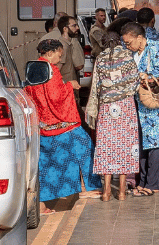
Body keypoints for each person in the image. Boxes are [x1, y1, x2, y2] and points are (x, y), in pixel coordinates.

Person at [27, 40, 103, 213]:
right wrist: (70, 85)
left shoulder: (33, 68)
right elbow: (55, 96)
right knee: (85, 148)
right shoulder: (50, 69)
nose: (60, 60)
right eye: (59, 55)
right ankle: (87, 188)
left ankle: (41, 204)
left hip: (44, 125)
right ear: (51, 52)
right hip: (61, 122)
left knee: (46, 164)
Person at [86, 20, 140, 202]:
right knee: (125, 147)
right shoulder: (127, 56)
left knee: (106, 147)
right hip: (126, 107)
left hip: (107, 108)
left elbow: (96, 87)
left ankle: (106, 192)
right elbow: (135, 83)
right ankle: (123, 192)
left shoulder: (100, 59)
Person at [121, 22, 159, 196]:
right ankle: (143, 181)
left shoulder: (155, 47)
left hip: (155, 103)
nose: (127, 46)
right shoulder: (131, 51)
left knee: (156, 144)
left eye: (129, 42)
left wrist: (144, 75)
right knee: (143, 144)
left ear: (139, 38)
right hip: (139, 103)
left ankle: (153, 185)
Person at [40, 15, 84, 86]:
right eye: (74, 26)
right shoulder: (63, 47)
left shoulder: (67, 44)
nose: (77, 28)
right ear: (65, 29)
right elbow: (56, 71)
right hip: (65, 90)